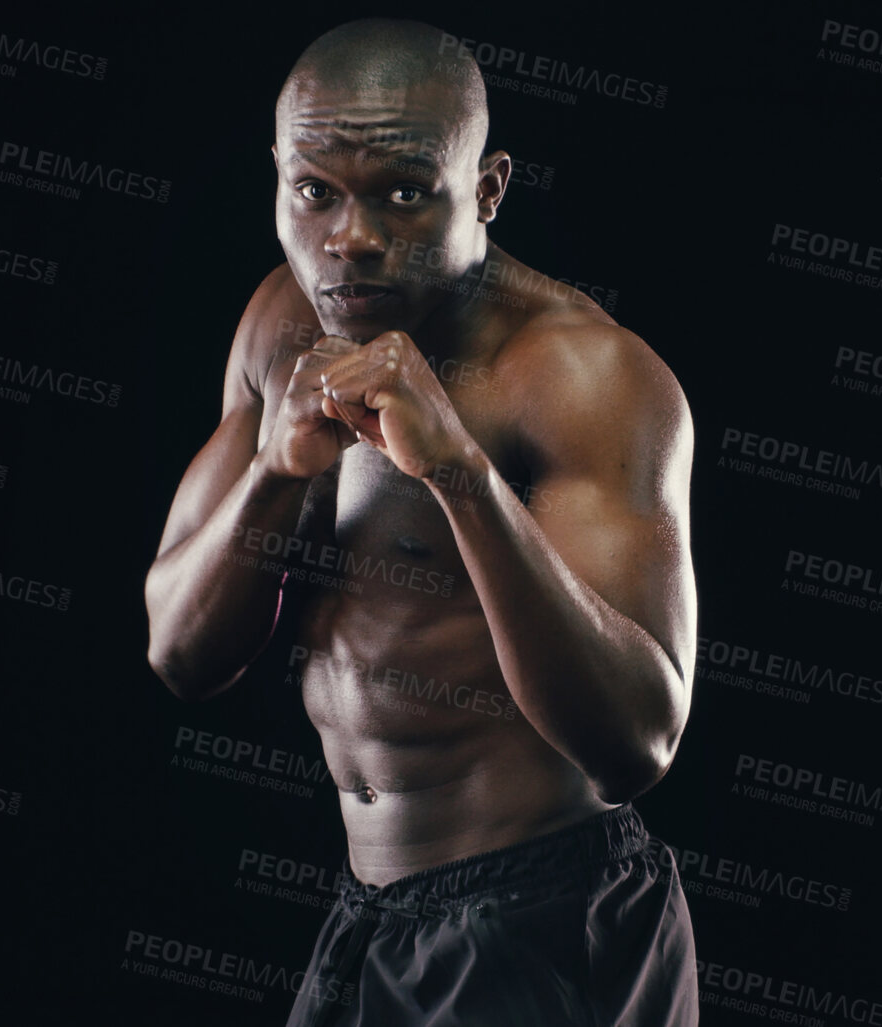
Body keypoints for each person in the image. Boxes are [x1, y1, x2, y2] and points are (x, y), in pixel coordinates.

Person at [144, 18, 699, 1025]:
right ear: (280, 174)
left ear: (484, 190)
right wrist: (274, 472)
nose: (349, 238)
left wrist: (459, 473)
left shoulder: (583, 377)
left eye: (404, 191)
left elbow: (637, 742)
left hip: (553, 919)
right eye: (316, 191)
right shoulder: (280, 325)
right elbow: (179, 653)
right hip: (370, 918)